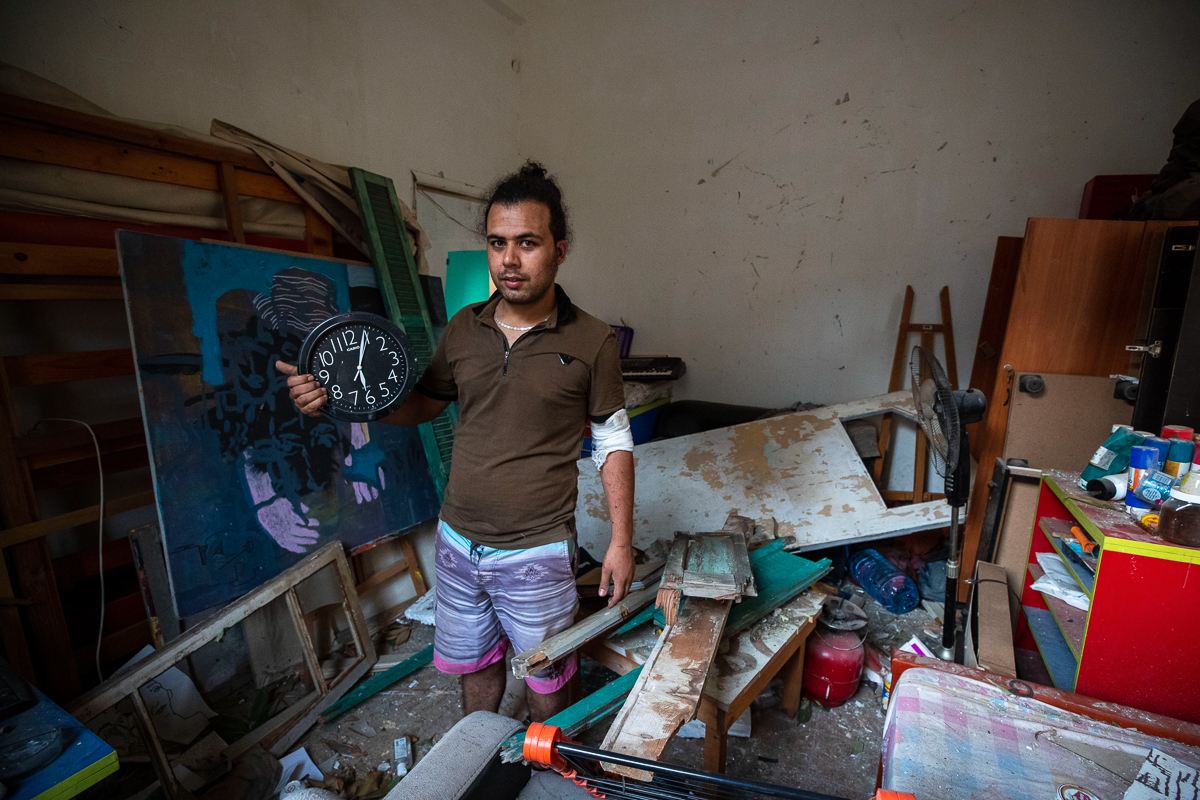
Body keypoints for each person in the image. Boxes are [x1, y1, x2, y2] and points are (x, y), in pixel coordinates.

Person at [277, 161, 635, 722]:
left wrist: (620, 541)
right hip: (457, 540)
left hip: (536, 550)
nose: (509, 260)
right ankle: (479, 751)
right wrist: (338, 401)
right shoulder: (466, 326)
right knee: (476, 663)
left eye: (527, 243)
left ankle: (544, 770)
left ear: (560, 250)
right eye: (497, 243)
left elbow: (614, 441)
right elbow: (423, 401)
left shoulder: (593, 340)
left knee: (546, 673)